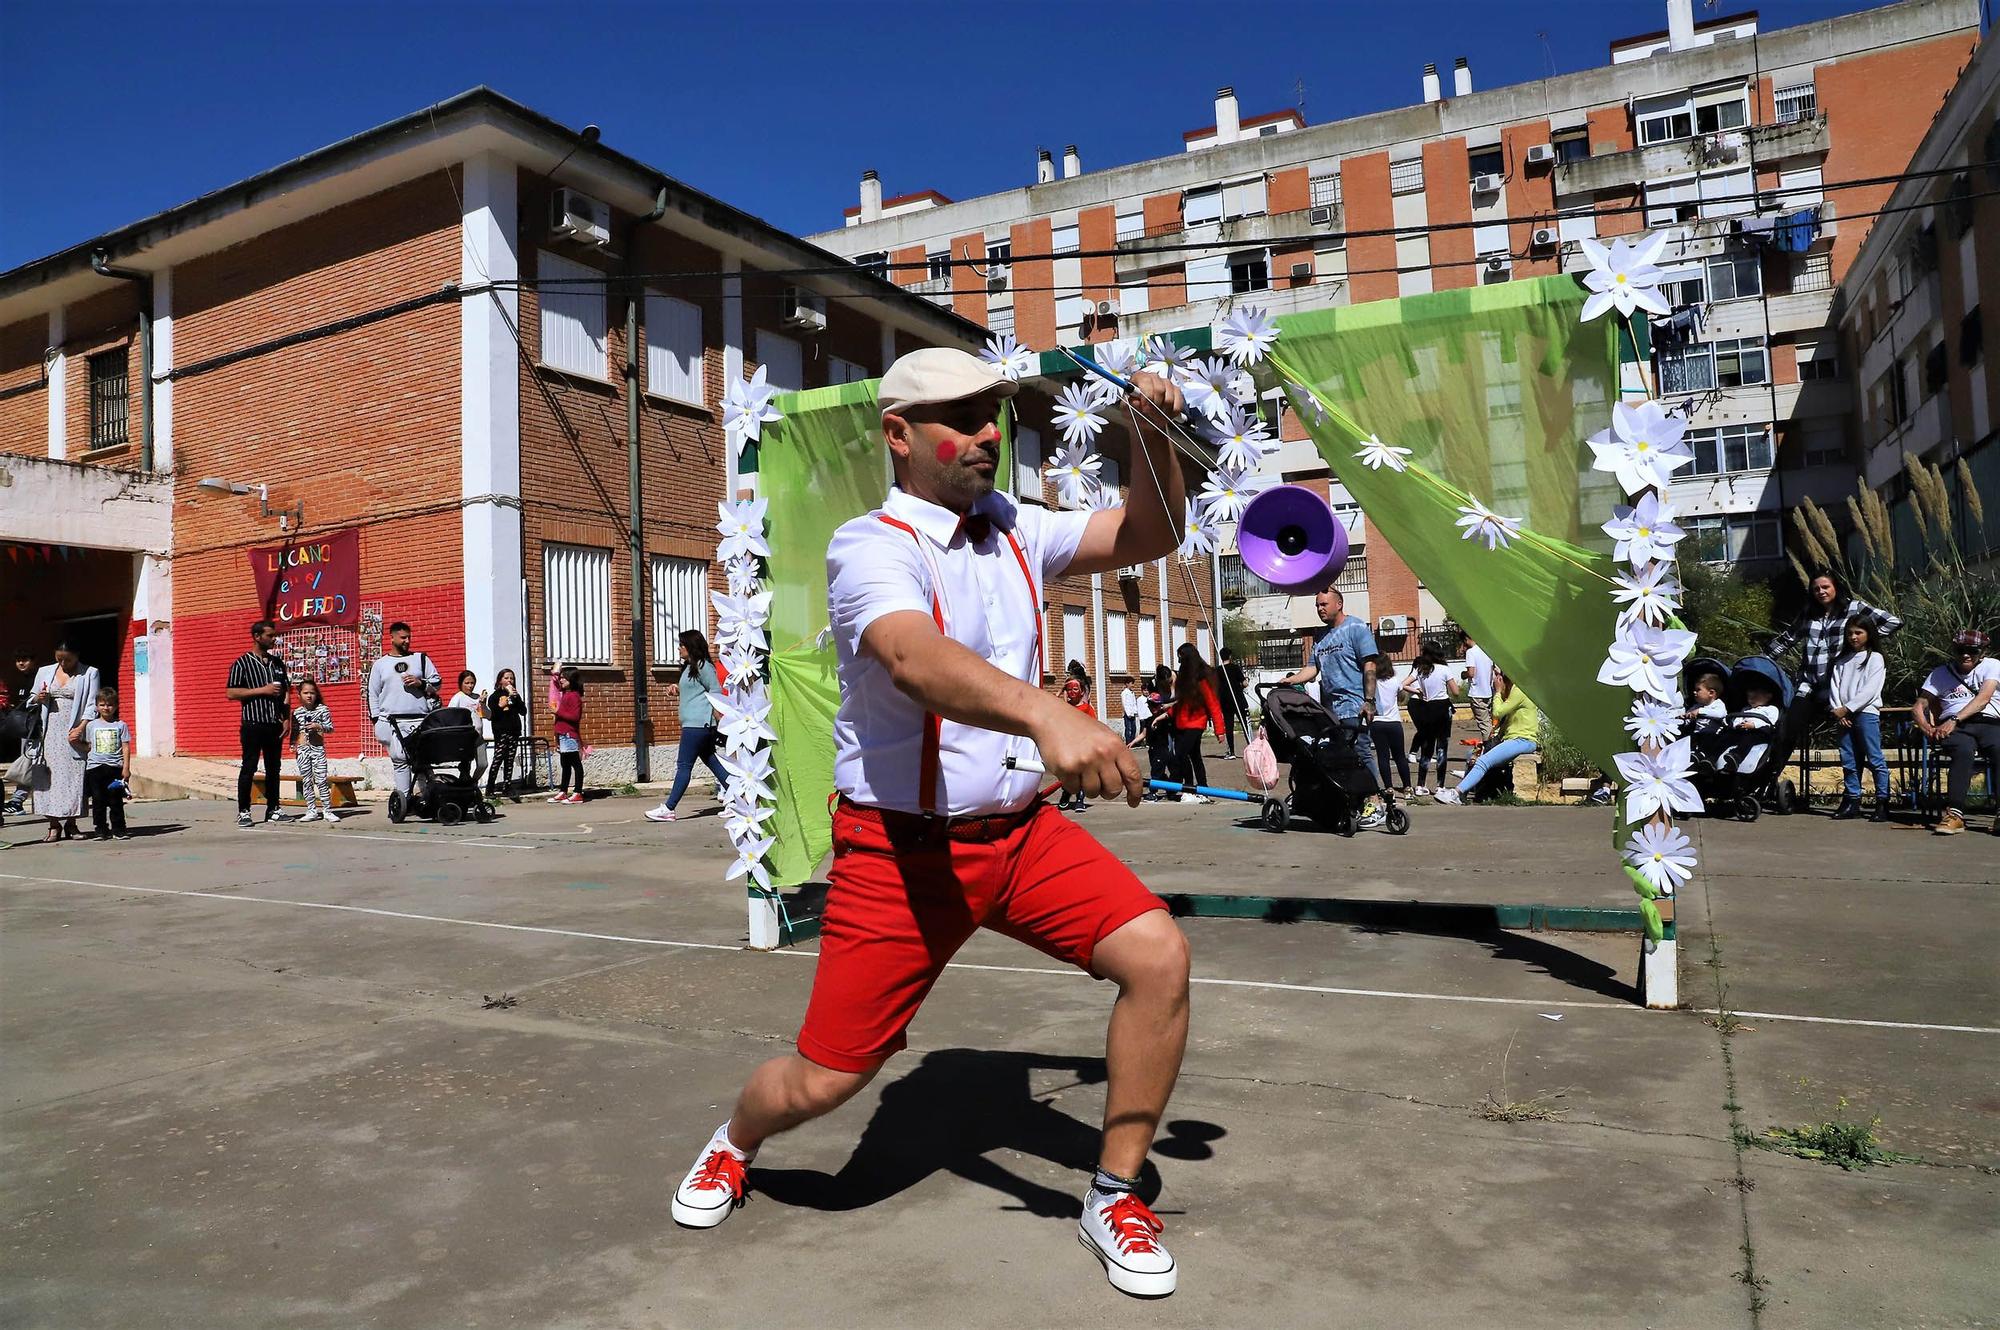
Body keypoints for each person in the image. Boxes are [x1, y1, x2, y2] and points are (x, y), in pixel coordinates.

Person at [670, 347, 1193, 1300]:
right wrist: (1048, 712)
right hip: (899, 855)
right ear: (900, 436)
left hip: (1020, 836)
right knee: (824, 1082)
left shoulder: (1021, 530)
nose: (988, 432)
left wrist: (1148, 441)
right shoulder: (870, 544)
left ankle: (1113, 1192)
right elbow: (912, 657)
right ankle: (734, 1141)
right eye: (961, 416)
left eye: (993, 414)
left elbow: (1149, 536)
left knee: (1158, 958)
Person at [1766, 570, 1900, 778]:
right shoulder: (1808, 613)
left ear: (1836, 587)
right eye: (1816, 589)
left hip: (1839, 689)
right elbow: (1787, 639)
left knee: (1851, 736)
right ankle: (1768, 779)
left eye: (1825, 587)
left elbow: (1892, 622)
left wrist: (1862, 642)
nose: (1821, 592)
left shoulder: (1854, 608)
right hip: (1809, 684)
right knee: (1787, 729)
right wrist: (1762, 659)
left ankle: (1852, 794)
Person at [1277, 586, 1384, 827]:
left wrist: (1369, 701)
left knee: (1361, 754)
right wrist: (1291, 679)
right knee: (1338, 759)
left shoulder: (1356, 628)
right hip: (1331, 712)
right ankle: (1350, 803)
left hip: (1355, 706)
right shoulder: (1320, 636)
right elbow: (1312, 668)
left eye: (1324, 604)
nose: (1320, 609)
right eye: (1317, 605)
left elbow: (1369, 667)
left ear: (1339, 604)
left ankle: (1375, 802)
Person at [1913, 629, 2000, 836]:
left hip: (1987, 721)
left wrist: (1954, 719)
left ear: (1983, 651)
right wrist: (1927, 728)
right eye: (1960, 650)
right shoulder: (1940, 673)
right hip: (1954, 728)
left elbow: (1983, 699)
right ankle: (1954, 814)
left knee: (1999, 749)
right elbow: (1919, 705)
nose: (1966, 655)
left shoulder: (1992, 666)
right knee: (1963, 752)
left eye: (1972, 650)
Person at [647, 631, 731, 823]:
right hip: (695, 724)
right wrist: (676, 688)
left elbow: (715, 691)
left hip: (699, 725)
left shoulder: (704, 666)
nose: (679, 648)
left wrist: (721, 721)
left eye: (681, 645)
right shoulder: (689, 667)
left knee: (684, 766)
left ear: (691, 646)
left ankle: (669, 808)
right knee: (713, 762)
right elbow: (695, 690)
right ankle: (737, 799)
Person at [26, 641, 98, 843]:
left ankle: (72, 824)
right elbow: (31, 697)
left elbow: (91, 704)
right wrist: (39, 698)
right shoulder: (45, 671)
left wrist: (81, 728)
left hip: (73, 732)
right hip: (48, 733)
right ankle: (53, 825)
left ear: (77, 655)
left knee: (73, 779)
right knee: (48, 780)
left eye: (67, 659)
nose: (63, 663)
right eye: (59, 659)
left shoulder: (89, 673)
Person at [226, 620, 294, 829]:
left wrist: (286, 718)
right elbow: (231, 692)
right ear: (257, 637)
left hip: (274, 723)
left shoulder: (277, 663)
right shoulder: (242, 663)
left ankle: (273, 808)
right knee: (249, 767)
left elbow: (286, 692)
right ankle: (244, 811)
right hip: (253, 723)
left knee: (274, 768)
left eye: (274, 635)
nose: (274, 639)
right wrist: (261, 690)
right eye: (270, 635)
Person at [1435, 670, 1538, 804]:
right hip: (1517, 739)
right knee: (1472, 755)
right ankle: (1467, 791)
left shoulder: (1519, 691)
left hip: (1523, 740)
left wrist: (1497, 692)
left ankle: (1456, 793)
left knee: (1483, 761)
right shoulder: (1521, 690)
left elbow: (1497, 712)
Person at [366, 621, 440, 803]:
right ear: (391, 638)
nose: (407, 641)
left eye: (409, 637)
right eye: (403, 637)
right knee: (400, 760)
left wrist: (420, 683)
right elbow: (372, 693)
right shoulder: (380, 665)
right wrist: (377, 720)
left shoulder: (420, 659)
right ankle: (404, 800)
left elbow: (437, 683)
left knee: (422, 760)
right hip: (392, 720)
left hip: (420, 718)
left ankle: (429, 798)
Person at [1827, 617, 1890, 823]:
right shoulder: (1841, 660)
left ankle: (1882, 801)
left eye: (1859, 633)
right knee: (1849, 759)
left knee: (1874, 758)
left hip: (1865, 713)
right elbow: (1835, 686)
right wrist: (1839, 710)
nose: (1854, 637)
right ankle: (1852, 799)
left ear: (1868, 634)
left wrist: (1849, 709)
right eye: (1850, 633)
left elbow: (1871, 690)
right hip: (1844, 715)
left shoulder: (1875, 658)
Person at [1166, 644, 1225, 806]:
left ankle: (1189, 788)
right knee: (1195, 757)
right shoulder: (1183, 678)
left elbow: (1213, 703)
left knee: (1181, 754)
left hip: (1196, 724)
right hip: (1182, 723)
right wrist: (1167, 714)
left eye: (1180, 657)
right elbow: (1181, 704)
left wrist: (1220, 730)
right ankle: (1202, 790)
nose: (1178, 660)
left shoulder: (1202, 678)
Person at [1401, 645, 1456, 796]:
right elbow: (1456, 692)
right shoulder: (1445, 669)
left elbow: (1404, 684)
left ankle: (1420, 785)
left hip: (1427, 707)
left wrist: (1419, 691)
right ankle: (1440, 786)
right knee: (1442, 746)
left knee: (1427, 746)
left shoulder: (1420, 669)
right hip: (1442, 707)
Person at [82, 687, 132, 840]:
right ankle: (100, 829)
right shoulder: (91, 726)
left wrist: (126, 768)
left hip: (114, 768)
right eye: (102, 704)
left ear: (116, 706)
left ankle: (119, 829)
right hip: (95, 768)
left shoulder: (120, 725)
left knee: (115, 800)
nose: (106, 708)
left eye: (110, 705)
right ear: (97, 706)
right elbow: (89, 746)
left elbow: (125, 747)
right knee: (98, 800)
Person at [290, 678, 339, 825]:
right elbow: (294, 731)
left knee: (321, 779)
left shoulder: (323, 709)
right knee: (306, 780)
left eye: (312, 693)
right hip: (303, 750)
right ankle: (311, 810)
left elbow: (330, 728)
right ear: (299, 695)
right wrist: (293, 744)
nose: (309, 696)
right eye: (305, 693)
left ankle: (327, 810)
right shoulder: (297, 712)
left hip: (317, 749)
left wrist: (319, 726)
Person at [1370, 660, 1411, 797]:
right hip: (1394, 722)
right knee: (1400, 756)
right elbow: (1401, 697)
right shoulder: (1394, 680)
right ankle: (1407, 787)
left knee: (1383, 756)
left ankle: (1389, 788)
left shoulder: (1372, 682)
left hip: (1377, 722)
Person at [1058, 677, 1099, 812]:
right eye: (1069, 689)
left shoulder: (1087, 708)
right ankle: (1066, 793)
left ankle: (1080, 799)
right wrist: (1060, 691)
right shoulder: (1064, 706)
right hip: (1068, 745)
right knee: (1068, 771)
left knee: (1081, 772)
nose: (1072, 692)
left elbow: (1094, 726)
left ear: (1081, 692)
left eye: (1075, 689)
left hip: (1082, 745)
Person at [485, 668, 526, 801]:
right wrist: (501, 705)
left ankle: (507, 786)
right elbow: (493, 715)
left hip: (513, 731)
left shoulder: (514, 695)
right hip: (501, 732)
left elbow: (523, 711)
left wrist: (515, 697)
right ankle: (490, 787)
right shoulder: (495, 696)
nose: (509, 681)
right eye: (506, 678)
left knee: (509, 759)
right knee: (498, 759)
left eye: (512, 678)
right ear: (500, 681)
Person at [445, 670, 491, 787]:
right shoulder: (458, 698)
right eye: (467, 683)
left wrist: (483, 704)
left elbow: (488, 715)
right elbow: (449, 717)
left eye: (472, 683)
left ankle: (472, 782)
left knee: (483, 764)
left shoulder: (477, 698)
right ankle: (465, 787)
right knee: (465, 766)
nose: (470, 686)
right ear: (461, 683)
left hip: (478, 737)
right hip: (464, 739)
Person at [547, 665, 585, 804]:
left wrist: (557, 711)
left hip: (570, 734)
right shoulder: (566, 695)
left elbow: (575, 717)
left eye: (564, 677)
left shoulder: (574, 696)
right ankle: (563, 791)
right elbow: (555, 683)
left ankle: (578, 792)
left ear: (572, 679)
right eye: (561, 677)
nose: (561, 680)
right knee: (565, 764)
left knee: (575, 763)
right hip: (562, 734)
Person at [1141, 664, 1176, 799]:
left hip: (1163, 749)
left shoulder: (1163, 719)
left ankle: (1153, 793)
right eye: (1150, 706)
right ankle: (1170, 788)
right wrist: (1131, 743)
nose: (1152, 708)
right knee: (1159, 772)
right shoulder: (1149, 719)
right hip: (1153, 749)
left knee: (1156, 771)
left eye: (1154, 706)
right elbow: (1143, 734)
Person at [1215, 648, 1249, 759]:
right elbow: (1244, 683)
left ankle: (1231, 751)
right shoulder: (1235, 668)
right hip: (1238, 700)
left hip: (1225, 701)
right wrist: (1244, 682)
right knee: (1245, 725)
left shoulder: (1218, 670)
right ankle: (1251, 748)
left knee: (1229, 726)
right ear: (1230, 656)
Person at [1460, 635, 1495, 740]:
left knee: (1484, 724)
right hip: (1488, 691)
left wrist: (1463, 674)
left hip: (1477, 692)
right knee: (1488, 721)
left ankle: (1489, 746)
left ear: (1466, 639)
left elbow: (1471, 673)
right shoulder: (1487, 650)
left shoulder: (1471, 652)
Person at [1118, 675, 1146, 745]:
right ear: (1127, 684)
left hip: (1133, 713)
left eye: (1132, 683)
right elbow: (1124, 703)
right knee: (1128, 729)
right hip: (1127, 714)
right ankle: (1128, 742)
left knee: (1134, 729)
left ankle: (1133, 742)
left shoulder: (1132, 693)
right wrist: (1128, 713)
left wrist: (1136, 711)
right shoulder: (1124, 693)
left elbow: (1134, 703)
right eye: (1131, 683)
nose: (1132, 685)